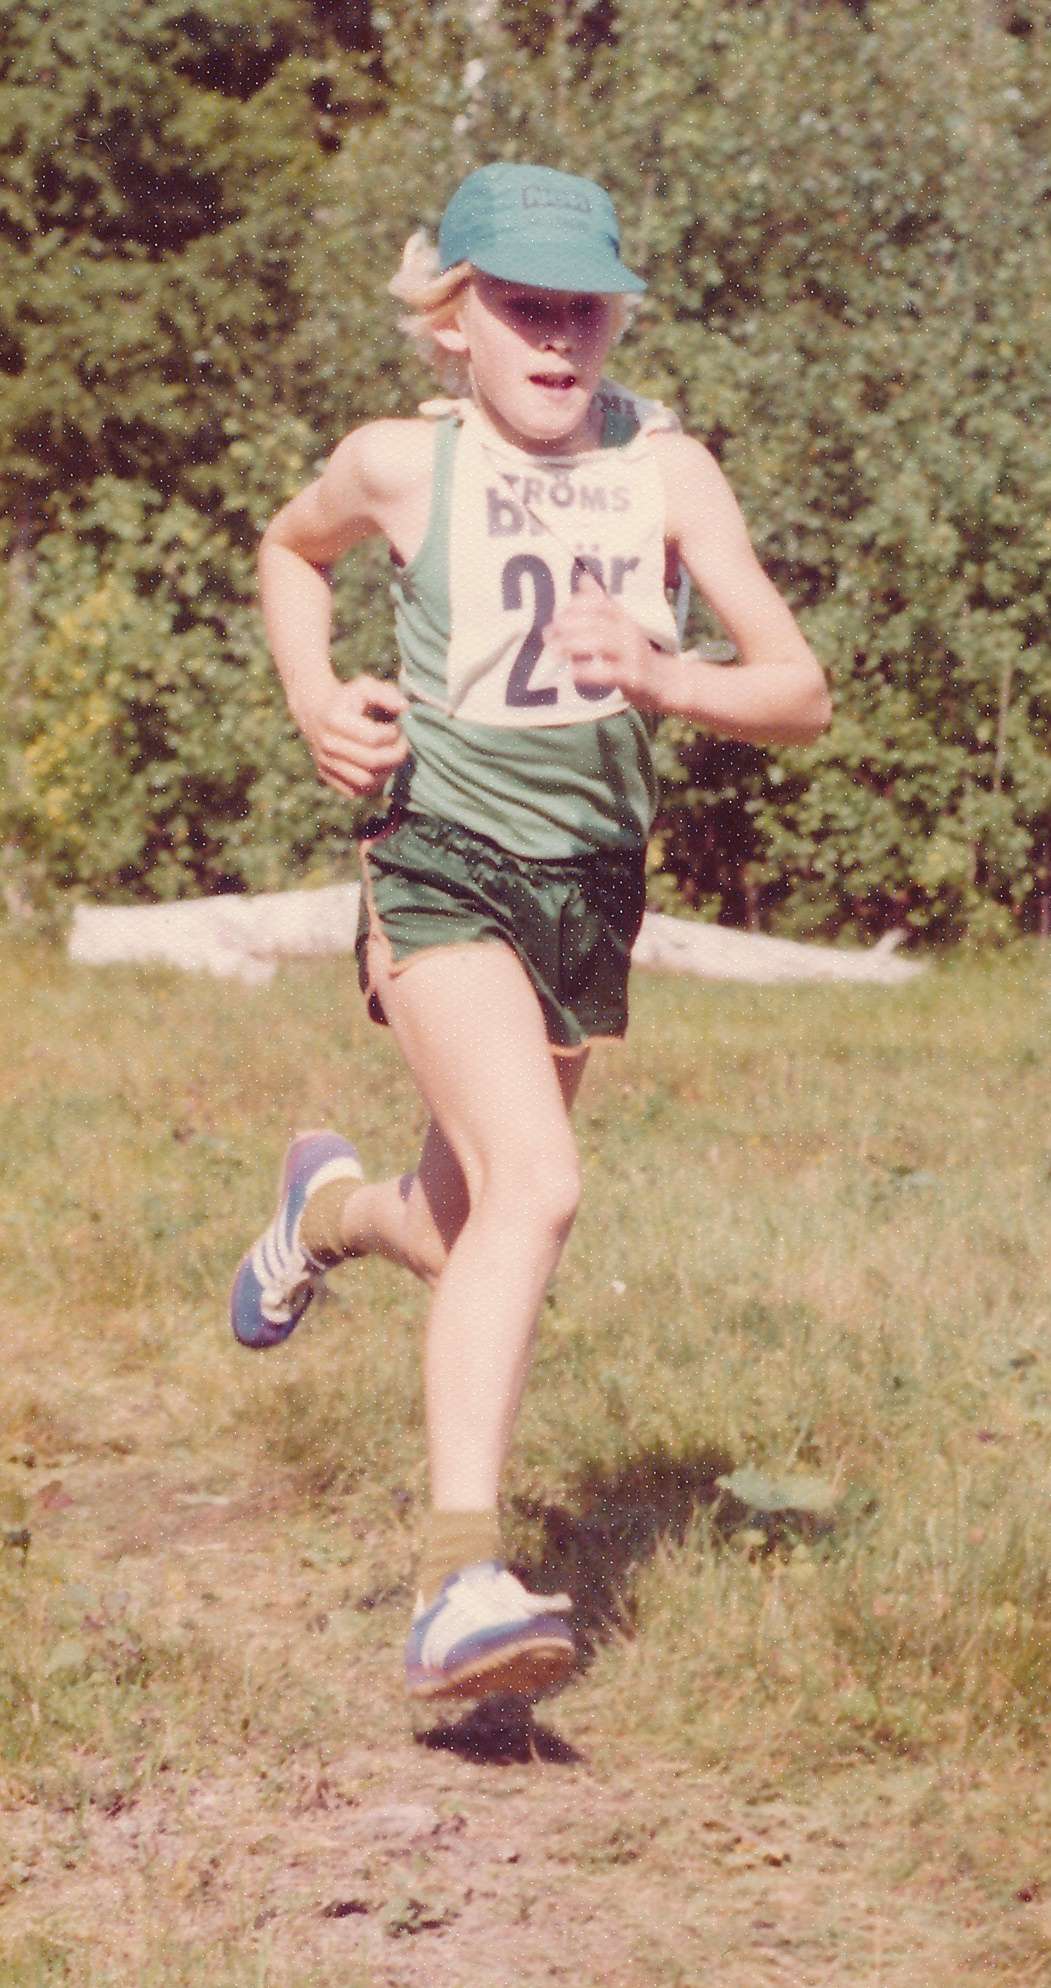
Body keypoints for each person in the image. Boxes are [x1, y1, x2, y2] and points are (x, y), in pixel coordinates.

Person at [230, 162, 831, 1705]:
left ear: (617, 319)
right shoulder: (398, 463)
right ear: (456, 320)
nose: (558, 338)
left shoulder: (667, 471)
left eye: (586, 310)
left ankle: (323, 1213)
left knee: (462, 1227)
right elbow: (289, 551)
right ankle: (458, 1583)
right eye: (523, 307)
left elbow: (799, 692)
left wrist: (666, 674)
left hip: (588, 890)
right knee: (542, 1186)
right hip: (440, 862)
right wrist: (315, 696)